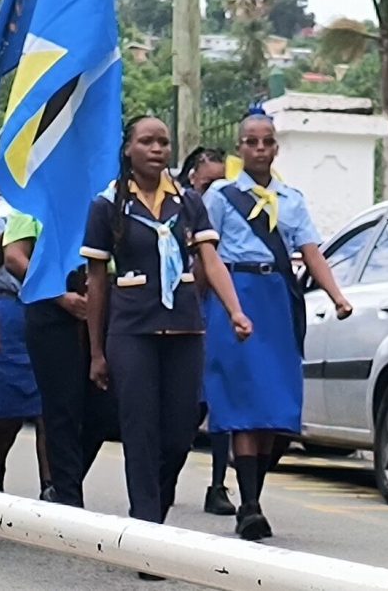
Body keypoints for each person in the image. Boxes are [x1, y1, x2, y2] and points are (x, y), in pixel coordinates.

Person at [84, 116, 251, 575]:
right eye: (147, 141)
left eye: (163, 142)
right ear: (128, 150)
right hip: (132, 331)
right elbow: (97, 282)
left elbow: (210, 260)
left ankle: (152, 519)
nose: (157, 149)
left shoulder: (189, 202)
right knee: (140, 433)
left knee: (179, 434)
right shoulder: (106, 206)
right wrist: (96, 350)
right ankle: (146, 536)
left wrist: (234, 309)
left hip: (184, 329)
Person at [202, 112, 352, 540]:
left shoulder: (292, 198)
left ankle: (253, 497)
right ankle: (249, 505)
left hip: (278, 298)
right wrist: (223, 305)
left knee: (272, 406)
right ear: (240, 147)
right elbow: (207, 253)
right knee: (245, 401)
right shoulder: (221, 195)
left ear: (276, 148)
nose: (260, 149)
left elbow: (310, 251)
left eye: (267, 141)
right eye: (251, 141)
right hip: (238, 292)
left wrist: (337, 296)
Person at [6, 209, 117, 508]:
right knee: (62, 408)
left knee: (104, 408)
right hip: (52, 306)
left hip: (105, 301)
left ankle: (66, 479)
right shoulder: (36, 199)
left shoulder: (106, 197)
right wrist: (57, 294)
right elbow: (14, 256)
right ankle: (68, 497)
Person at [175, 146, 237, 517]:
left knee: (220, 396)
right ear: (194, 175)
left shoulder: (224, 208)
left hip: (216, 305)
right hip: (184, 307)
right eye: (210, 181)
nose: (215, 189)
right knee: (187, 403)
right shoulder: (176, 205)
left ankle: (218, 484)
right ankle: (165, 471)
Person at [0, 213, 49, 495]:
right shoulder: (0, 215)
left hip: (58, 313)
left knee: (52, 408)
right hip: (11, 309)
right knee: (5, 408)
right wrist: (13, 237)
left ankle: (52, 487)